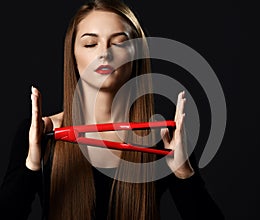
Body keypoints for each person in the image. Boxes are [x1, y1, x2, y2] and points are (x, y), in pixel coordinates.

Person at [0, 0, 224, 219]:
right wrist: (32, 166)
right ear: (72, 55)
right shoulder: (40, 134)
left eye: (118, 43)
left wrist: (184, 174)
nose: (104, 53)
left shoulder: (164, 137)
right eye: (90, 44)